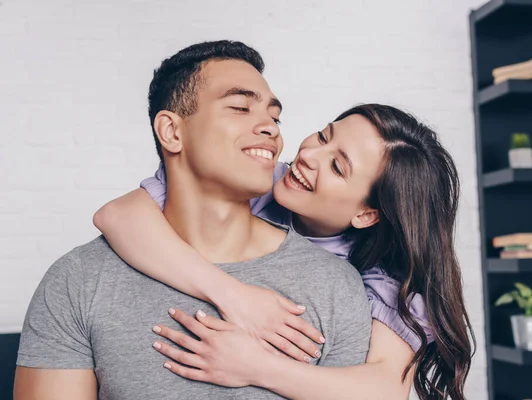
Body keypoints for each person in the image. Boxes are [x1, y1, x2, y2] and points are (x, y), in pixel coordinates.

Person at [14, 40, 374, 400]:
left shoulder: (336, 286)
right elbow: (115, 214)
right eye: (239, 108)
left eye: (274, 117)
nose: (270, 128)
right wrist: (230, 294)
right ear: (172, 132)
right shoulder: (78, 280)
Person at [94, 77, 475, 399]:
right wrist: (233, 296)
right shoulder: (258, 179)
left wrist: (256, 367)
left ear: (367, 214)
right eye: (324, 135)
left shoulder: (382, 280)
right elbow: (117, 215)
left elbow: (382, 390)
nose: (309, 155)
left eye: (337, 166)